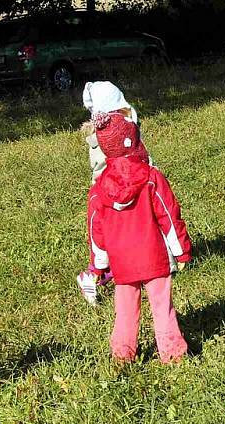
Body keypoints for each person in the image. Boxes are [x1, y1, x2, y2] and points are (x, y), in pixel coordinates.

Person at [88, 111, 191, 363]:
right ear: (132, 141)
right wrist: (181, 251)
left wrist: (99, 264)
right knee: (161, 305)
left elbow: (96, 230)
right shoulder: (151, 178)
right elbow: (168, 215)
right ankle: (173, 353)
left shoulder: (98, 188)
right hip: (153, 255)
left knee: (124, 309)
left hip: (121, 262)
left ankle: (123, 354)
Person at [76, 81, 152, 304]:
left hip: (126, 194)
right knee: (109, 246)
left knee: (127, 244)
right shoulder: (106, 141)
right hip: (110, 200)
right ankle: (91, 277)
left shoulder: (117, 129)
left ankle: (131, 272)